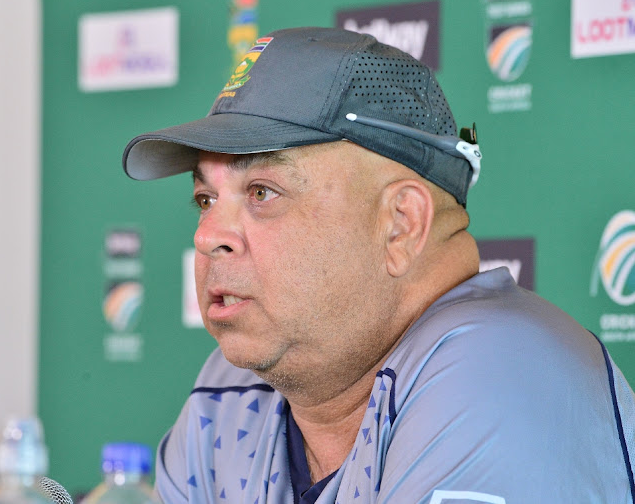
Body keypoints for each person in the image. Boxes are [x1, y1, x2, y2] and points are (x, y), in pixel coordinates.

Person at [121, 27, 635, 503]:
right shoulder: (231, 392)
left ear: (401, 224)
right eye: (206, 199)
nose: (208, 237)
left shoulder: (503, 369)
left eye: (262, 192)